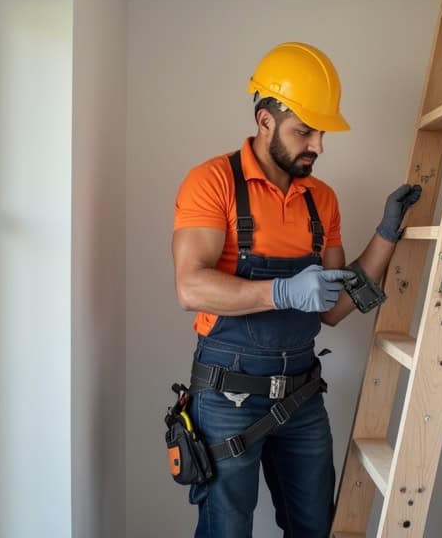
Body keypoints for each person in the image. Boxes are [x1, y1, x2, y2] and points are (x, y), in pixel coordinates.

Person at [172, 41, 421, 538]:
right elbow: (190, 287)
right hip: (228, 394)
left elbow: (332, 307)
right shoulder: (212, 182)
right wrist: (283, 292)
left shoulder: (320, 200)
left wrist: (386, 235)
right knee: (226, 530)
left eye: (321, 133)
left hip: (301, 397)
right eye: (304, 131)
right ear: (266, 121)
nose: (318, 146)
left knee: (313, 528)